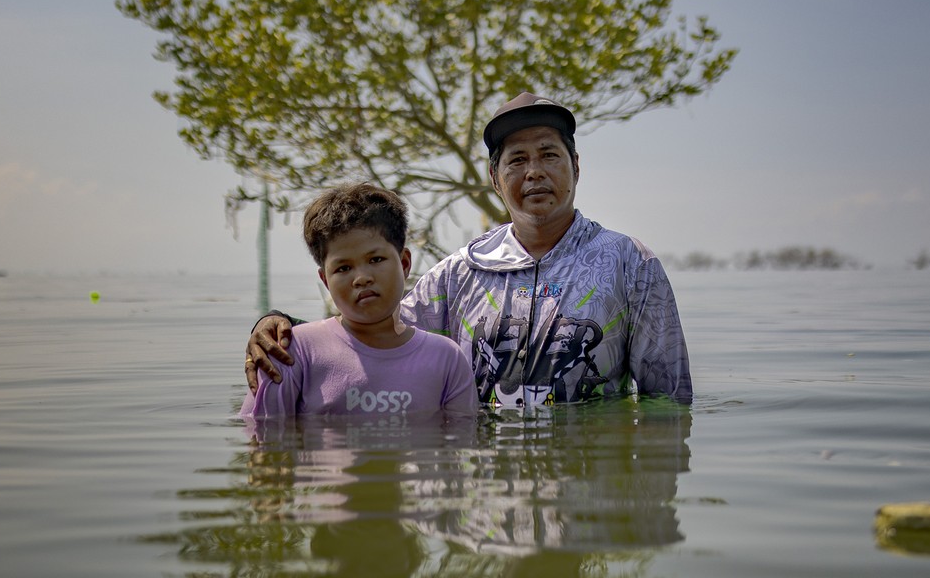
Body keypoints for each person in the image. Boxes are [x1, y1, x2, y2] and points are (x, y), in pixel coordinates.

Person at [246, 93, 693, 409]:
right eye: (517, 160)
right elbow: (376, 331)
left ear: (575, 166)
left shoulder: (630, 263)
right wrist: (282, 325)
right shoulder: (461, 272)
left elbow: (669, 401)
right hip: (483, 495)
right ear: (495, 180)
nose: (534, 172)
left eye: (549, 155)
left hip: (587, 492)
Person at [240, 182, 476, 419]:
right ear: (325, 280)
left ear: (404, 263)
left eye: (376, 260)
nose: (361, 278)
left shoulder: (446, 359)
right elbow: (262, 444)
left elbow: (461, 443)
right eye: (343, 268)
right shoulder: (290, 352)